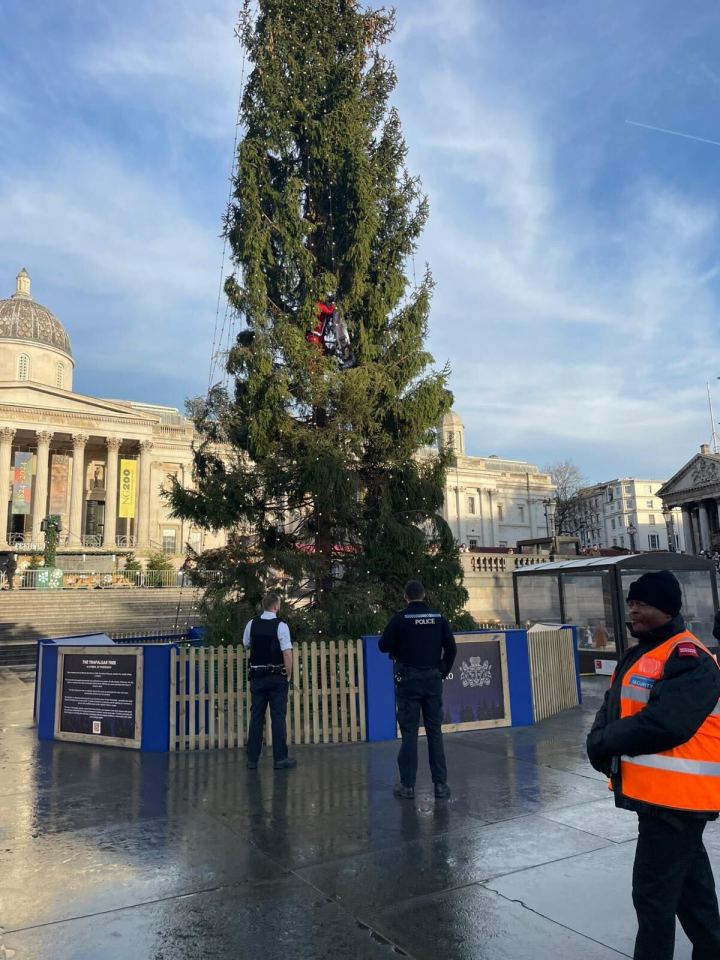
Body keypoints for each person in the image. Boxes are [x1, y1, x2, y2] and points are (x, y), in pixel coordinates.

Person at [586, 570, 720, 960]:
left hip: (680, 800)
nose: (633, 611)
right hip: (664, 798)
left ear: (665, 608)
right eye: (630, 603)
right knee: (693, 898)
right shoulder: (645, 651)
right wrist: (600, 738)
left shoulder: (688, 656)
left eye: (641, 604)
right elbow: (614, 701)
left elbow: (667, 723)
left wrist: (605, 742)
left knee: (652, 897)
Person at [379, 580, 457, 800]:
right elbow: (451, 648)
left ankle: (408, 785)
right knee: (435, 732)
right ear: (424, 595)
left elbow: (383, 645)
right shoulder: (438, 618)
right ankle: (440, 785)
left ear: (406, 596)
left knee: (410, 733)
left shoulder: (400, 618)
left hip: (409, 680)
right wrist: (442, 670)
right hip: (432, 680)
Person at [243, 592, 296, 770]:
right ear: (276, 606)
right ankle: (280, 758)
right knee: (278, 717)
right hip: (276, 676)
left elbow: (246, 644)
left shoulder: (252, 624)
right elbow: (287, 652)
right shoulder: (281, 626)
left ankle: (252, 759)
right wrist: (287, 673)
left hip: (257, 676)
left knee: (256, 716)